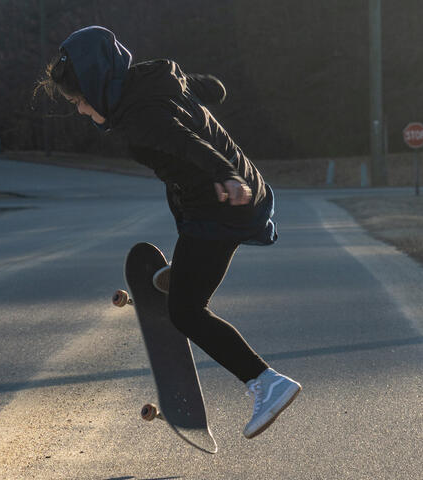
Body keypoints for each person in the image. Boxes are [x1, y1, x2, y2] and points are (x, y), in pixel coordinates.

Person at [37, 26, 301, 439]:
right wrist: (206, 88)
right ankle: (186, 272)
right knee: (188, 286)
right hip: (231, 197)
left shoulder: (140, 119)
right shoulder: (147, 80)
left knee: (185, 312)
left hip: (222, 206)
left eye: (80, 101)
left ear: (96, 86)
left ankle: (265, 382)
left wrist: (225, 176)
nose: (81, 111)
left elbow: (186, 141)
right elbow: (180, 81)